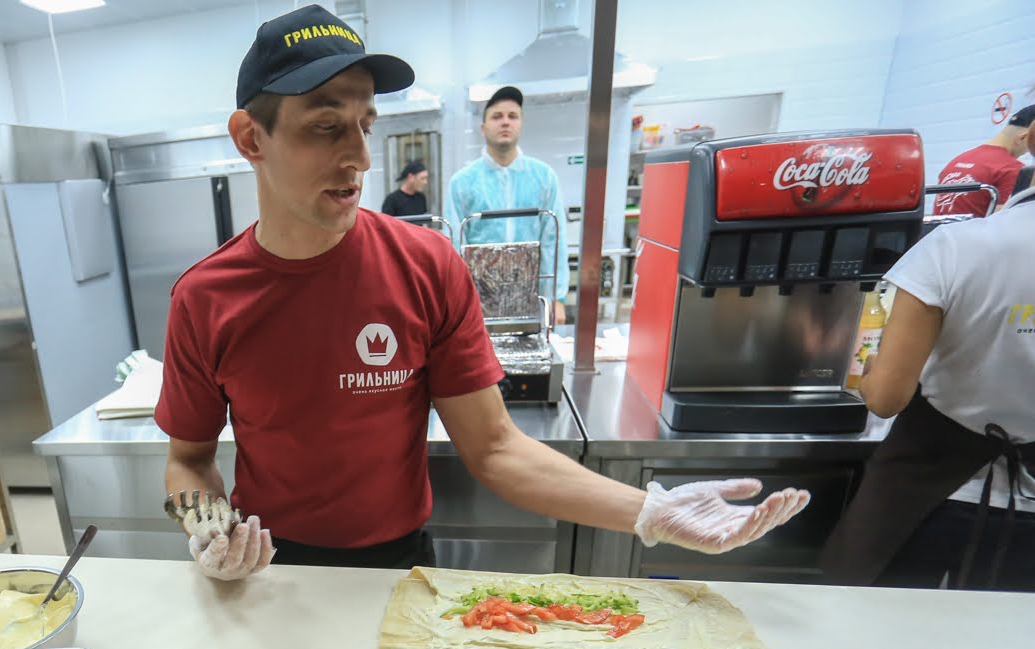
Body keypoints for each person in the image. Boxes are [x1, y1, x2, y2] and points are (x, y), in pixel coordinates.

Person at [156, 4, 809, 579]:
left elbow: (496, 448)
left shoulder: (424, 266)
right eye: (326, 127)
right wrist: (207, 524)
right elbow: (188, 460)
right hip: (271, 570)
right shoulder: (206, 298)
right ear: (251, 138)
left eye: (365, 124)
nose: (360, 155)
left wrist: (651, 512)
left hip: (400, 561)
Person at [822, 183, 1035, 591]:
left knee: (877, 626)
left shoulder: (956, 247)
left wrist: (870, 371)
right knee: (1006, 631)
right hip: (1026, 518)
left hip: (923, 502)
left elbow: (885, 397)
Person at [447, 85, 568, 324]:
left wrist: (556, 298)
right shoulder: (462, 182)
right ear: (483, 128)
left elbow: (554, 239)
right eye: (497, 116)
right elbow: (453, 245)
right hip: (477, 301)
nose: (505, 122)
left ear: (521, 124)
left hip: (532, 297)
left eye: (512, 116)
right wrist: (456, 301)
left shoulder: (544, 177)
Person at [932, 105, 1034, 217]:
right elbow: (1006, 222)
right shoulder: (1012, 169)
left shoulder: (957, 160)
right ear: (1022, 138)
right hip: (973, 228)